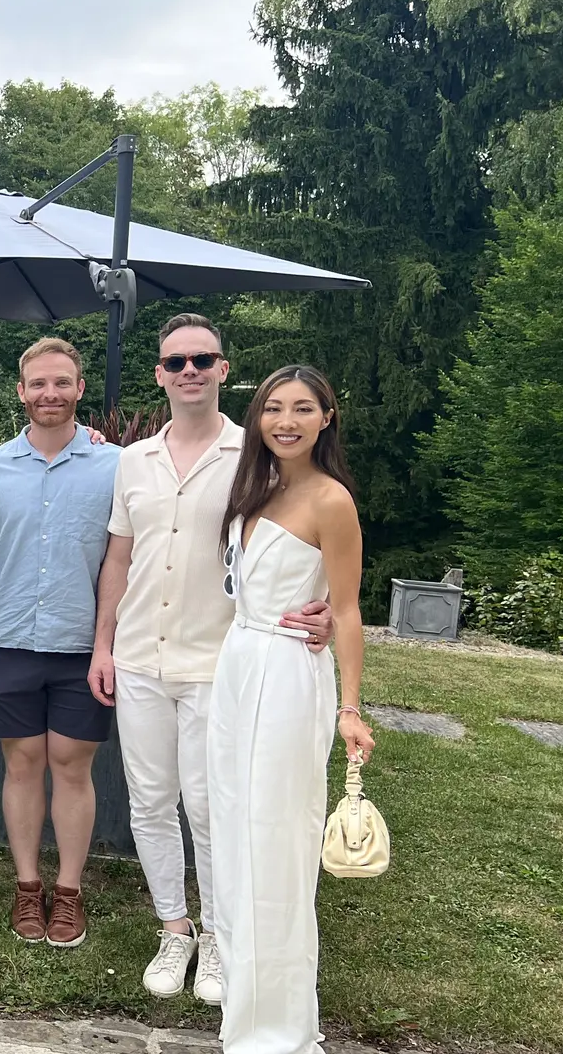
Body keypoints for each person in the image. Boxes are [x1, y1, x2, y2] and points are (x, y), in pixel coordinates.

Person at [88, 315, 334, 1003]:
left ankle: (222, 939)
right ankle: (176, 929)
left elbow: (308, 533)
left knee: (209, 805)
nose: (189, 371)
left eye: (203, 359)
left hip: (218, 663)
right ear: (160, 374)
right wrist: (103, 643)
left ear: (224, 369)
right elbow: (119, 555)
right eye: (175, 362)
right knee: (150, 801)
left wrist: (329, 610)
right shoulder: (131, 460)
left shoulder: (253, 456)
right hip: (137, 657)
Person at [206, 364, 374, 1054]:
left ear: (327, 417)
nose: (285, 420)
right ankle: (242, 1008)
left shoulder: (331, 501)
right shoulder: (256, 487)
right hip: (238, 666)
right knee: (235, 830)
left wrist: (352, 707)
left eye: (302, 408)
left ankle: (279, 1030)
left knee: (276, 840)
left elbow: (348, 609)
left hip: (286, 675)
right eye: (273, 408)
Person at [0, 338, 118, 949]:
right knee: (21, 766)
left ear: (78, 388)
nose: (50, 394)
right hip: (10, 639)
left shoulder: (115, 465)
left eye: (62, 383)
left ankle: (68, 892)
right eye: (38, 384)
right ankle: (27, 886)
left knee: (73, 768)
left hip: (83, 646)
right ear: (20, 392)